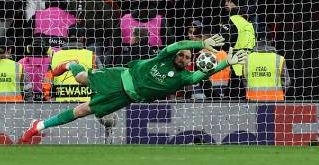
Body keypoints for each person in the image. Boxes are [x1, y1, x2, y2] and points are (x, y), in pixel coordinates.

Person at [21, 34, 248, 142]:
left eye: (188, 57)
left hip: (126, 97)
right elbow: (177, 44)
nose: (183, 57)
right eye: (182, 54)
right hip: (119, 77)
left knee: (82, 111)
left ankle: (38, 125)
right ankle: (69, 64)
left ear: (190, 61)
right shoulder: (163, 56)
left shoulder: (184, 78)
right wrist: (201, 43)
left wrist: (226, 62)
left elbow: (201, 74)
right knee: (80, 78)